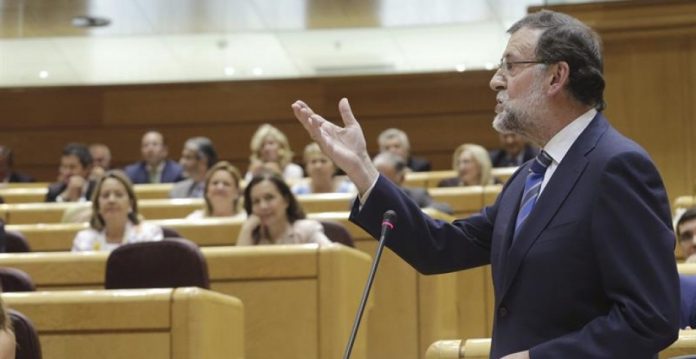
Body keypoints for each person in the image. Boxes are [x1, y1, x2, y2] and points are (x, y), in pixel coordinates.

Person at [292, 9, 679, 358]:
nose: (496, 81)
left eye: (510, 66)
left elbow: (650, 318)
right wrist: (361, 169)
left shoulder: (617, 167)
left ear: (556, 76)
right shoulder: (529, 177)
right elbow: (439, 249)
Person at [72, 170, 163, 252]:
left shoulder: (148, 235)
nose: (111, 200)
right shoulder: (84, 240)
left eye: (118, 195)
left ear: (130, 204)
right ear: (98, 205)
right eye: (105, 195)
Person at [237, 171, 331, 246]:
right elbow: (236, 268)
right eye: (256, 201)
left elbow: (332, 257)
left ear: (286, 201)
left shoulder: (307, 230)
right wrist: (246, 229)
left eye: (269, 198)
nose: (263, 206)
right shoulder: (252, 238)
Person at [373, 152, 452, 215]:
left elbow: (445, 209)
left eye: (384, 177)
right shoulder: (366, 197)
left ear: (401, 177)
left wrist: (415, 215)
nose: (379, 182)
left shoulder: (417, 195)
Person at [291, 142, 356, 195]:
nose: (318, 166)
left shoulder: (350, 191)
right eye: (313, 161)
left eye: (323, 161)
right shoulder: (297, 192)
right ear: (306, 167)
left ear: (334, 166)